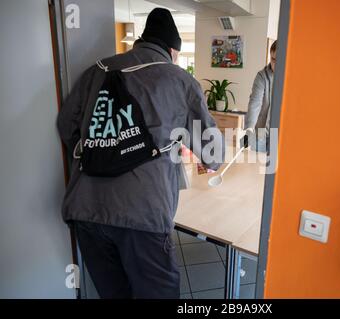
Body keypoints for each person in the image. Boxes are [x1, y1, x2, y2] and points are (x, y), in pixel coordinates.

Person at [57, 8, 223, 299]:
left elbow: (66, 126)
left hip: (86, 208)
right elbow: (213, 154)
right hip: (142, 214)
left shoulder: (97, 70)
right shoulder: (180, 80)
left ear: (140, 42)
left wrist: (106, 154)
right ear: (172, 50)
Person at [244, 40, 277, 153]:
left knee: (273, 167)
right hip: (260, 132)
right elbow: (255, 103)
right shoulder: (262, 76)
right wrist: (249, 128)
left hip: (279, 134)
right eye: (273, 59)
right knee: (257, 166)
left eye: (279, 60)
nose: (275, 64)